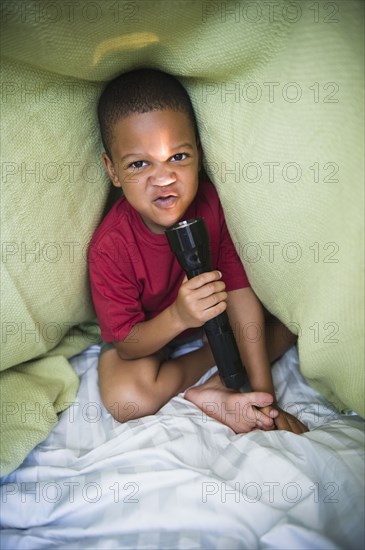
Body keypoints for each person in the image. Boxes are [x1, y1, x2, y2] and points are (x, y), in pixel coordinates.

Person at [89, 68, 308, 435]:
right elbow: (127, 344)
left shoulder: (210, 205)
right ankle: (213, 372)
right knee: (126, 399)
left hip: (215, 324)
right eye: (139, 164)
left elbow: (238, 291)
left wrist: (261, 397)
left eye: (178, 157)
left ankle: (218, 388)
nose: (163, 179)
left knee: (292, 323)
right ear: (112, 170)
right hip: (150, 337)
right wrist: (179, 316)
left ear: (199, 154)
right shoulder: (110, 247)